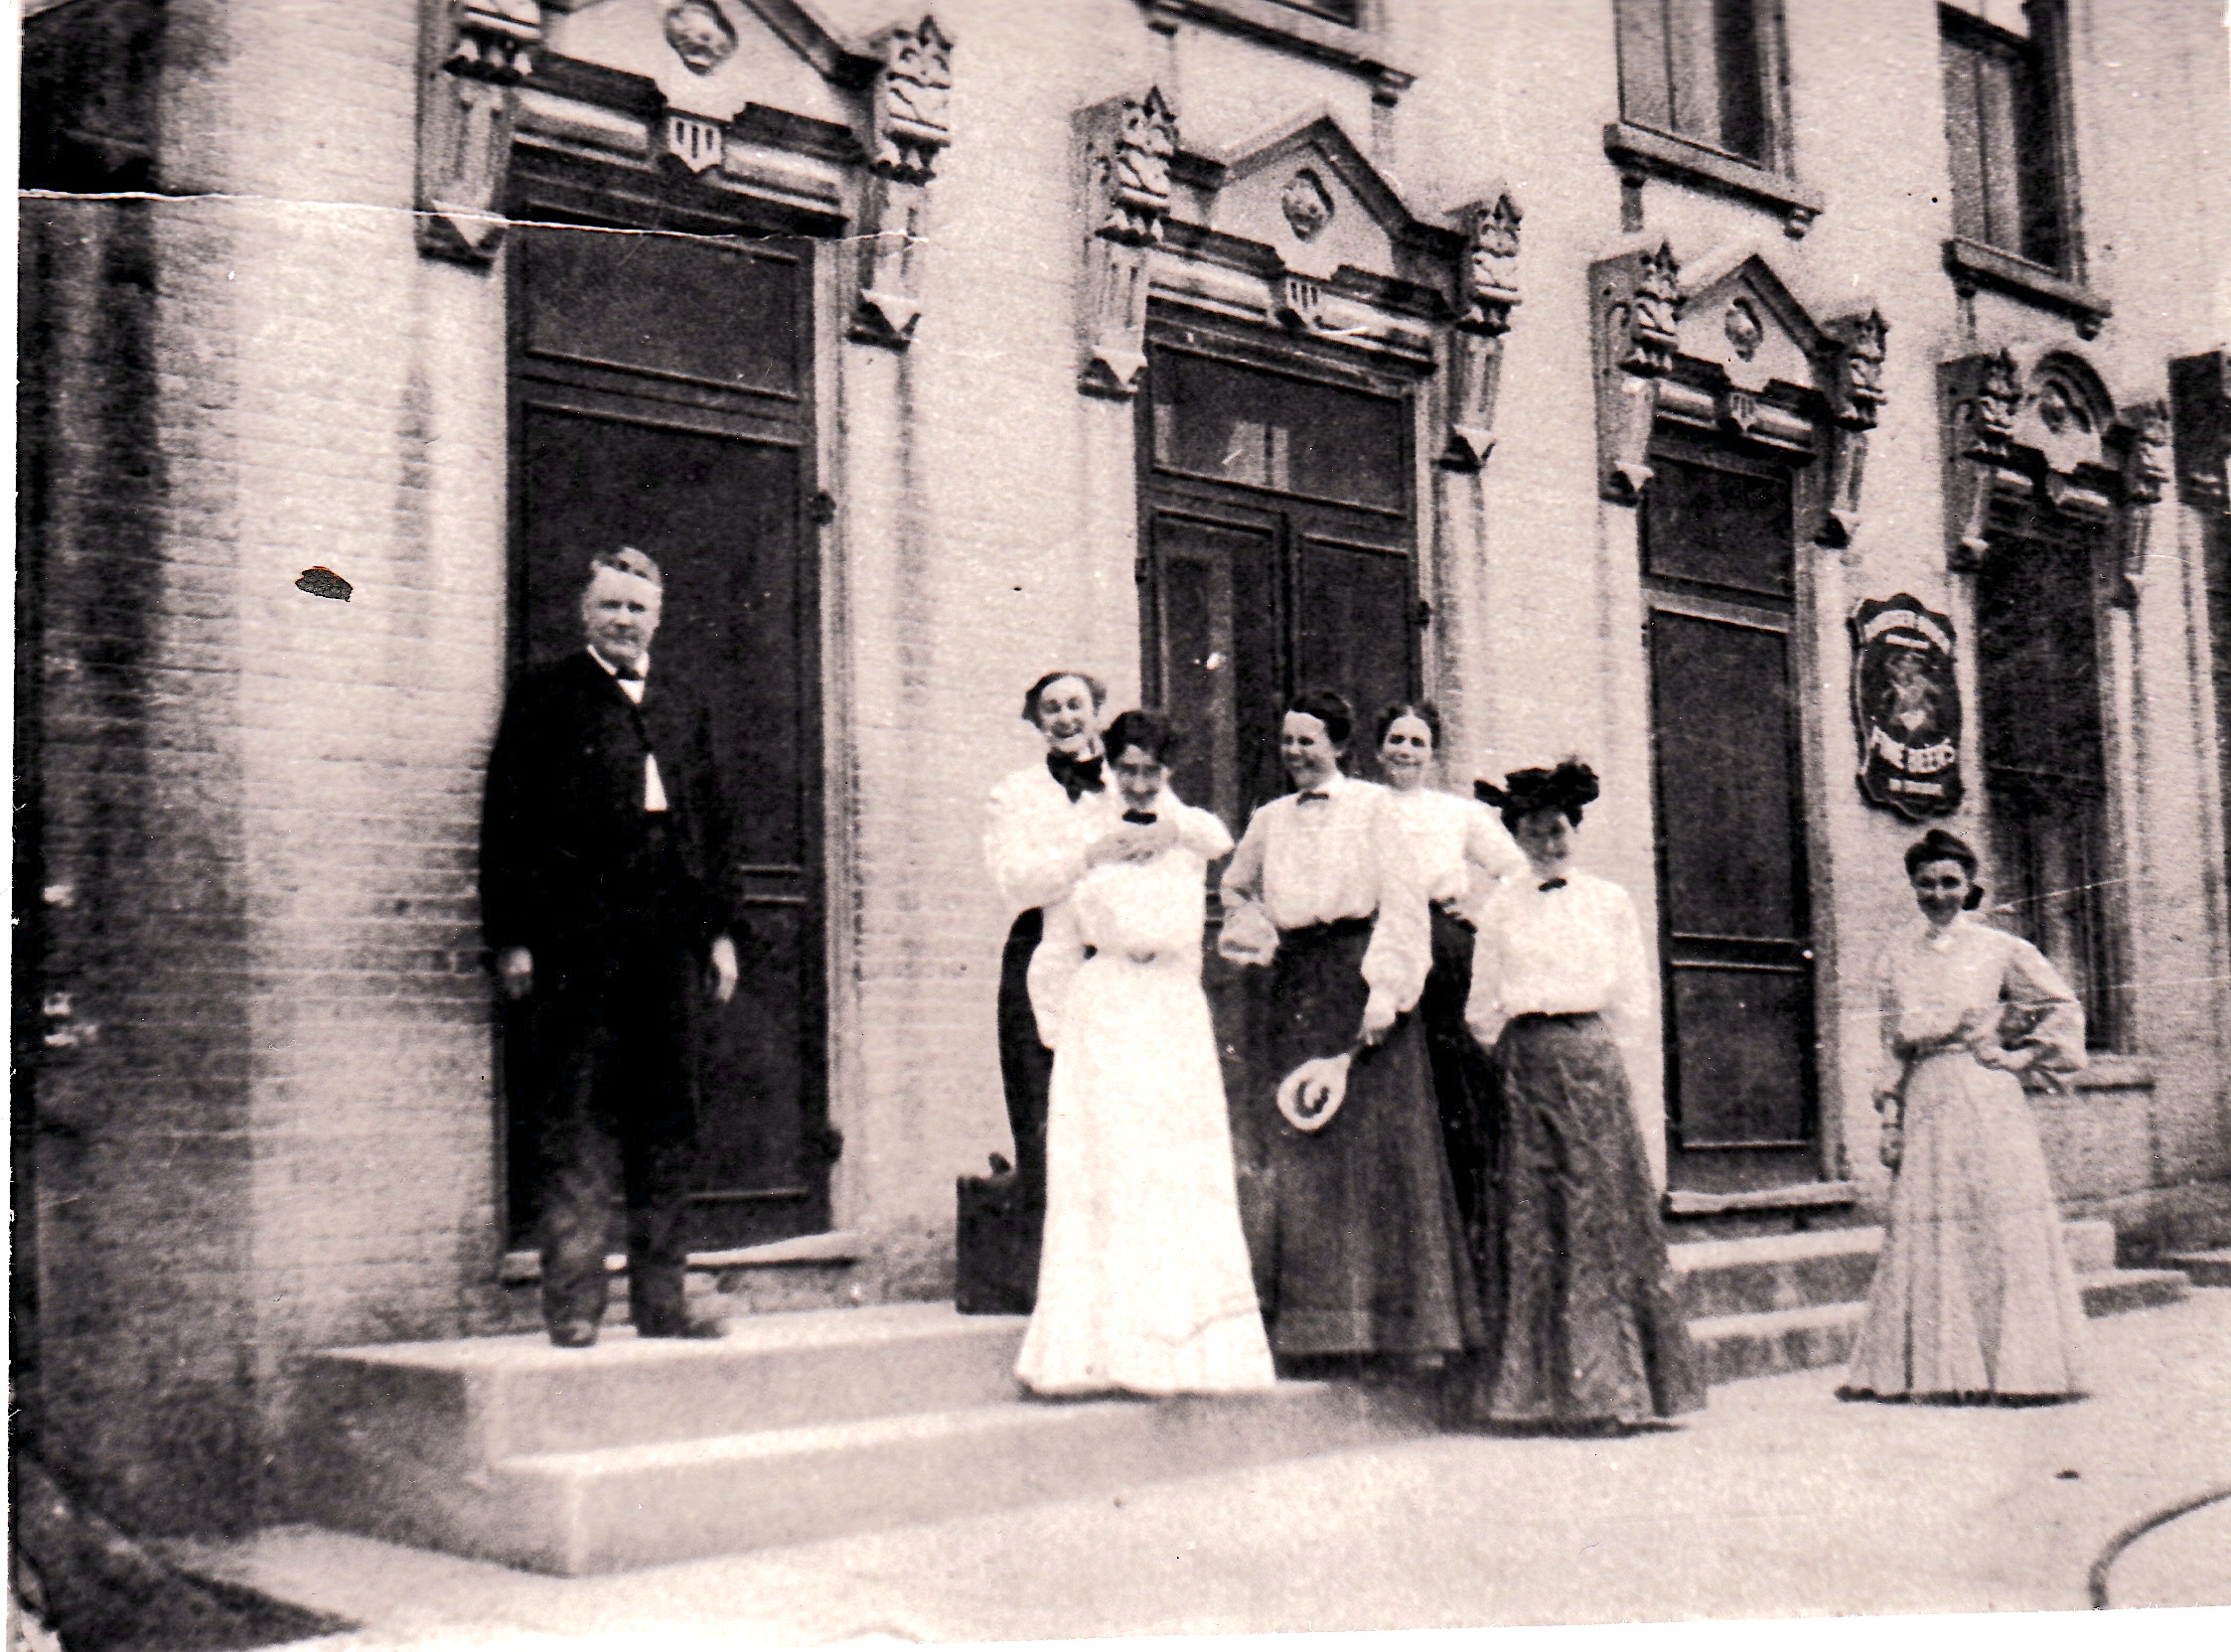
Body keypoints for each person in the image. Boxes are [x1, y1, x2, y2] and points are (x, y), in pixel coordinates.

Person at [481, 546, 738, 1348]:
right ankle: (574, 1303)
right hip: (576, 942)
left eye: (637, 607)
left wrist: (720, 933)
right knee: (577, 1115)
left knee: (668, 1118)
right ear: (584, 614)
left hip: (669, 940)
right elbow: (507, 823)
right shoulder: (545, 695)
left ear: (658, 616)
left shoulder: (683, 702)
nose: (624, 620)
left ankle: (663, 1301)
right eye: (611, 606)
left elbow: (712, 826)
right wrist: (513, 938)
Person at [1218, 689, 1481, 1370]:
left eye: (1308, 740)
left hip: (1361, 980)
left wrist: (1388, 992)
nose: (1295, 753)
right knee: (1302, 1147)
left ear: (1338, 745)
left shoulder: (1374, 807)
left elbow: (1404, 903)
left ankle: (1389, 1329)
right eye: (1287, 741)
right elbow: (1235, 887)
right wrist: (1254, 926)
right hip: (1296, 987)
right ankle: (1312, 1330)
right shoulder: (1269, 819)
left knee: (1374, 1156)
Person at [1015, 711, 1275, 1396]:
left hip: (1168, 1005)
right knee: (1109, 1167)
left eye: (1150, 771)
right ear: (1110, 767)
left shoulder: (1186, 831)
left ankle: (1179, 1349)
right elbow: (1053, 928)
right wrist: (1059, 1029)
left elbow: (1218, 837)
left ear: (1168, 771)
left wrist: (1169, 828)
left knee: (1175, 1166)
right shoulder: (1087, 832)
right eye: (1126, 769)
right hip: (1104, 1006)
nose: (1137, 783)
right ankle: (1099, 1350)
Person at [1455, 759, 1703, 1431]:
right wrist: (1523, 1048)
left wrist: (1591, 1049)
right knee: (1534, 1220)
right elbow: (1482, 1006)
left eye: (1558, 829)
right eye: (1534, 832)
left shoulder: (1609, 901)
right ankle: (1533, 1395)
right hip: (1527, 1066)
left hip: (1591, 1065)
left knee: (1596, 1219)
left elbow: (1632, 997)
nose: (1548, 843)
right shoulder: (1500, 906)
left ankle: (1612, 1393)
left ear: (1575, 830)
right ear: (1517, 837)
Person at [1841, 828, 2090, 1405]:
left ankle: (2023, 1372)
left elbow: (2061, 1010)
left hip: (1986, 1096)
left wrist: (2017, 1057)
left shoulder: (2001, 949)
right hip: (1928, 1097)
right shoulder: (1896, 955)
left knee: (1999, 1219)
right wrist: (1890, 1118)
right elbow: (1891, 1046)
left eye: (1950, 882)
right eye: (1926, 883)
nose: (1938, 894)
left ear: (1971, 885)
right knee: (1930, 1223)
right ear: (1913, 887)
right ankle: (1932, 1372)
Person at [1374, 701, 1527, 1256]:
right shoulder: (1363, 807)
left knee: (1451, 1084)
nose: (1405, 751)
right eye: (1396, 739)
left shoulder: (1456, 813)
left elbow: (1516, 868)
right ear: (1378, 749)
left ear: (1433, 754)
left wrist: (1478, 912)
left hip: (1443, 951)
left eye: (1417, 742)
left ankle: (1464, 1233)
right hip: (1380, 946)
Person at [981, 672, 1119, 1220]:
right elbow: (1015, 881)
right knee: (1041, 1108)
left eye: (1075, 705)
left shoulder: (1127, 783)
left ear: (1096, 712)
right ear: (1036, 720)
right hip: (1038, 949)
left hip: (1113, 951)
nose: (1065, 718)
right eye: (1052, 708)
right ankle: (1048, 1255)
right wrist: (1088, 858)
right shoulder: (1014, 793)